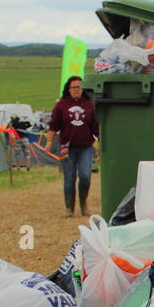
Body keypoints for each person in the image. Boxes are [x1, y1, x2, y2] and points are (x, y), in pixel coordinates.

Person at [49, 76, 99, 216]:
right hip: (66, 147)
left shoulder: (90, 104)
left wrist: (100, 141)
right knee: (69, 178)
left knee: (85, 176)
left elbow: (95, 126)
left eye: (79, 87)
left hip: (86, 147)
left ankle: (83, 204)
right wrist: (48, 142)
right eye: (74, 87)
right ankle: (69, 208)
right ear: (69, 89)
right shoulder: (61, 104)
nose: (77, 89)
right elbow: (54, 124)